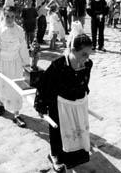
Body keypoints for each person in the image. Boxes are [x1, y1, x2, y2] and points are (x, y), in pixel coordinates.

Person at [34, 21, 93, 172]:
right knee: (58, 132)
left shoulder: (88, 64)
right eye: (83, 54)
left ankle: (74, 155)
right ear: (73, 50)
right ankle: (55, 156)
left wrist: (83, 95)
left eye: (89, 54)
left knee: (77, 131)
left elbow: (85, 81)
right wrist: (41, 105)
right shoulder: (58, 65)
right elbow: (43, 84)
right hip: (59, 104)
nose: (87, 58)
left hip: (77, 103)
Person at [0, 5, 29, 128]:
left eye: (12, 16)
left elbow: (23, 47)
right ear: (3, 16)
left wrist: (26, 63)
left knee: (15, 87)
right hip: (2, 62)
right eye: (7, 16)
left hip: (15, 63)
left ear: (16, 17)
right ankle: (1, 104)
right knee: (2, 84)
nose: (10, 19)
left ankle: (16, 114)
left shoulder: (19, 30)